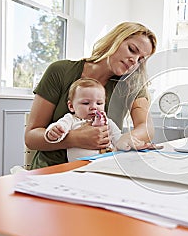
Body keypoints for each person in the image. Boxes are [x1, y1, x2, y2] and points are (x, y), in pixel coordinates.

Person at [25, 22, 157, 169]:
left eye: (141, 60)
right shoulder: (60, 71)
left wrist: (126, 139)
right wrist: (75, 138)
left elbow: (146, 128)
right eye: (132, 50)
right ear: (115, 40)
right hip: (51, 170)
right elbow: (31, 137)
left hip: (99, 170)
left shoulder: (131, 85)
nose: (134, 61)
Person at [45, 78, 126, 162]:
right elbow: (60, 126)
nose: (94, 107)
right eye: (86, 103)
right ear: (71, 106)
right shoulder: (71, 119)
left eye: (99, 103)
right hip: (80, 168)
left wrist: (129, 144)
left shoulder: (107, 122)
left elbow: (119, 140)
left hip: (107, 164)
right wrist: (54, 132)